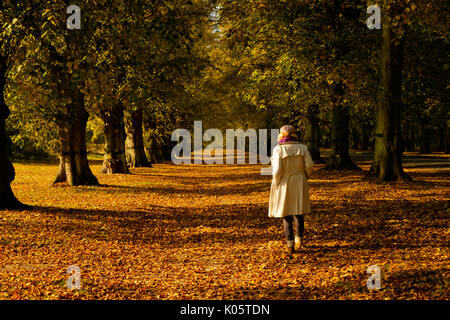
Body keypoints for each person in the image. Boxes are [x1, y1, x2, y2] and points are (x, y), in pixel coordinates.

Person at [268, 125, 314, 256]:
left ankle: (290, 245)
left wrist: (276, 182)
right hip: (300, 180)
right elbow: (310, 165)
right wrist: (306, 175)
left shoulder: (278, 149)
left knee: (286, 213)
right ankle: (299, 240)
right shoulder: (303, 148)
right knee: (299, 212)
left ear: (281, 136)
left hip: (284, 182)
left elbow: (277, 170)